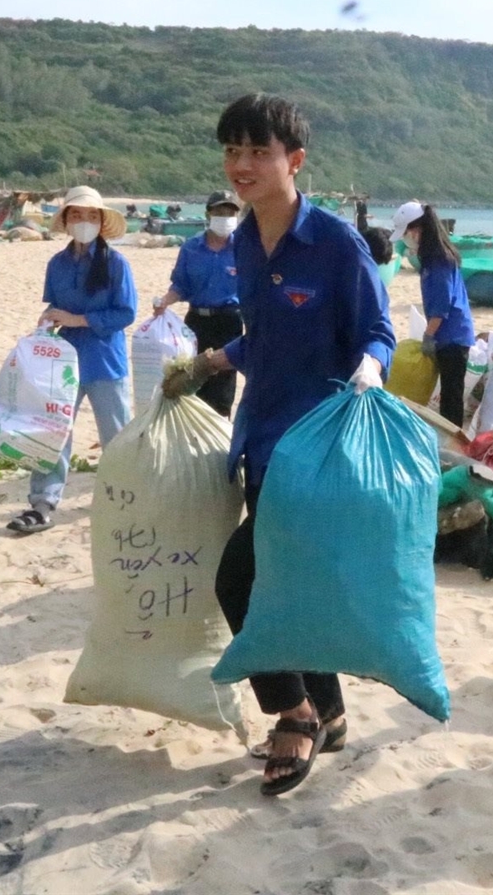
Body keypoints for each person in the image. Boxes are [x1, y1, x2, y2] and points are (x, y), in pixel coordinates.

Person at [163, 93, 394, 796]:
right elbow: (264, 338)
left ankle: (293, 712)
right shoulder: (240, 240)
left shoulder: (334, 242)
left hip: (317, 449)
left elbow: (377, 331)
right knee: (292, 579)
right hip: (259, 440)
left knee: (242, 577)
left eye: (257, 152)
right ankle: (330, 709)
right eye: (232, 151)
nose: (242, 166)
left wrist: (369, 369)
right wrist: (211, 362)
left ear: (293, 160)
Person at [7, 186, 137, 534]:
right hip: (62, 362)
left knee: (117, 434)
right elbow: (53, 307)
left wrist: (79, 319)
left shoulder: (116, 264)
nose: (84, 221)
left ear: (101, 221)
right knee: (53, 432)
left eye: (91, 215)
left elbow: (125, 314)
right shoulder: (57, 264)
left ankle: (127, 498)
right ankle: (43, 502)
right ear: (65, 220)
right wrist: (49, 319)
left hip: (105, 361)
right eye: (77, 215)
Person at [153, 190, 242, 417]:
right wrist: (165, 301)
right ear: (208, 214)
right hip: (195, 324)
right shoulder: (191, 248)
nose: (225, 218)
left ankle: (219, 439)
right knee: (190, 382)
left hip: (229, 322)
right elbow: (180, 286)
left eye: (230, 213)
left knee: (222, 388)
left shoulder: (244, 248)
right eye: (219, 212)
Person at [393, 201, 476, 428]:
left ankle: (453, 439)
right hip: (446, 334)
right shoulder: (432, 258)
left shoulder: (439, 260)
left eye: (406, 233)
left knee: (451, 395)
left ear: (417, 229)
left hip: (453, 335)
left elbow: (442, 305)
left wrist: (428, 335)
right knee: (449, 392)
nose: (406, 239)